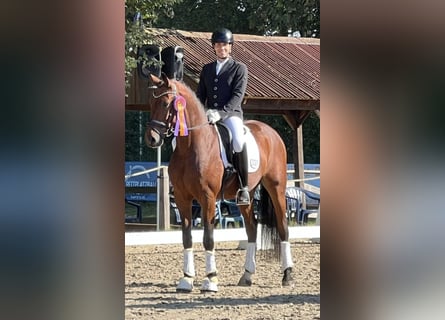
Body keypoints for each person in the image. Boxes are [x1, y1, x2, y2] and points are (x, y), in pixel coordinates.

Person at [196, 27, 250, 205]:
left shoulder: (239, 68)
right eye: (218, 45)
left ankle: (243, 187)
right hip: (209, 115)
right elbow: (200, 96)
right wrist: (200, 114)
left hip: (231, 114)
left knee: (238, 140)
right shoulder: (207, 69)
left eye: (225, 45)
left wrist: (221, 113)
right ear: (214, 47)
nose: (221, 48)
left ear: (230, 47)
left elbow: (237, 96)